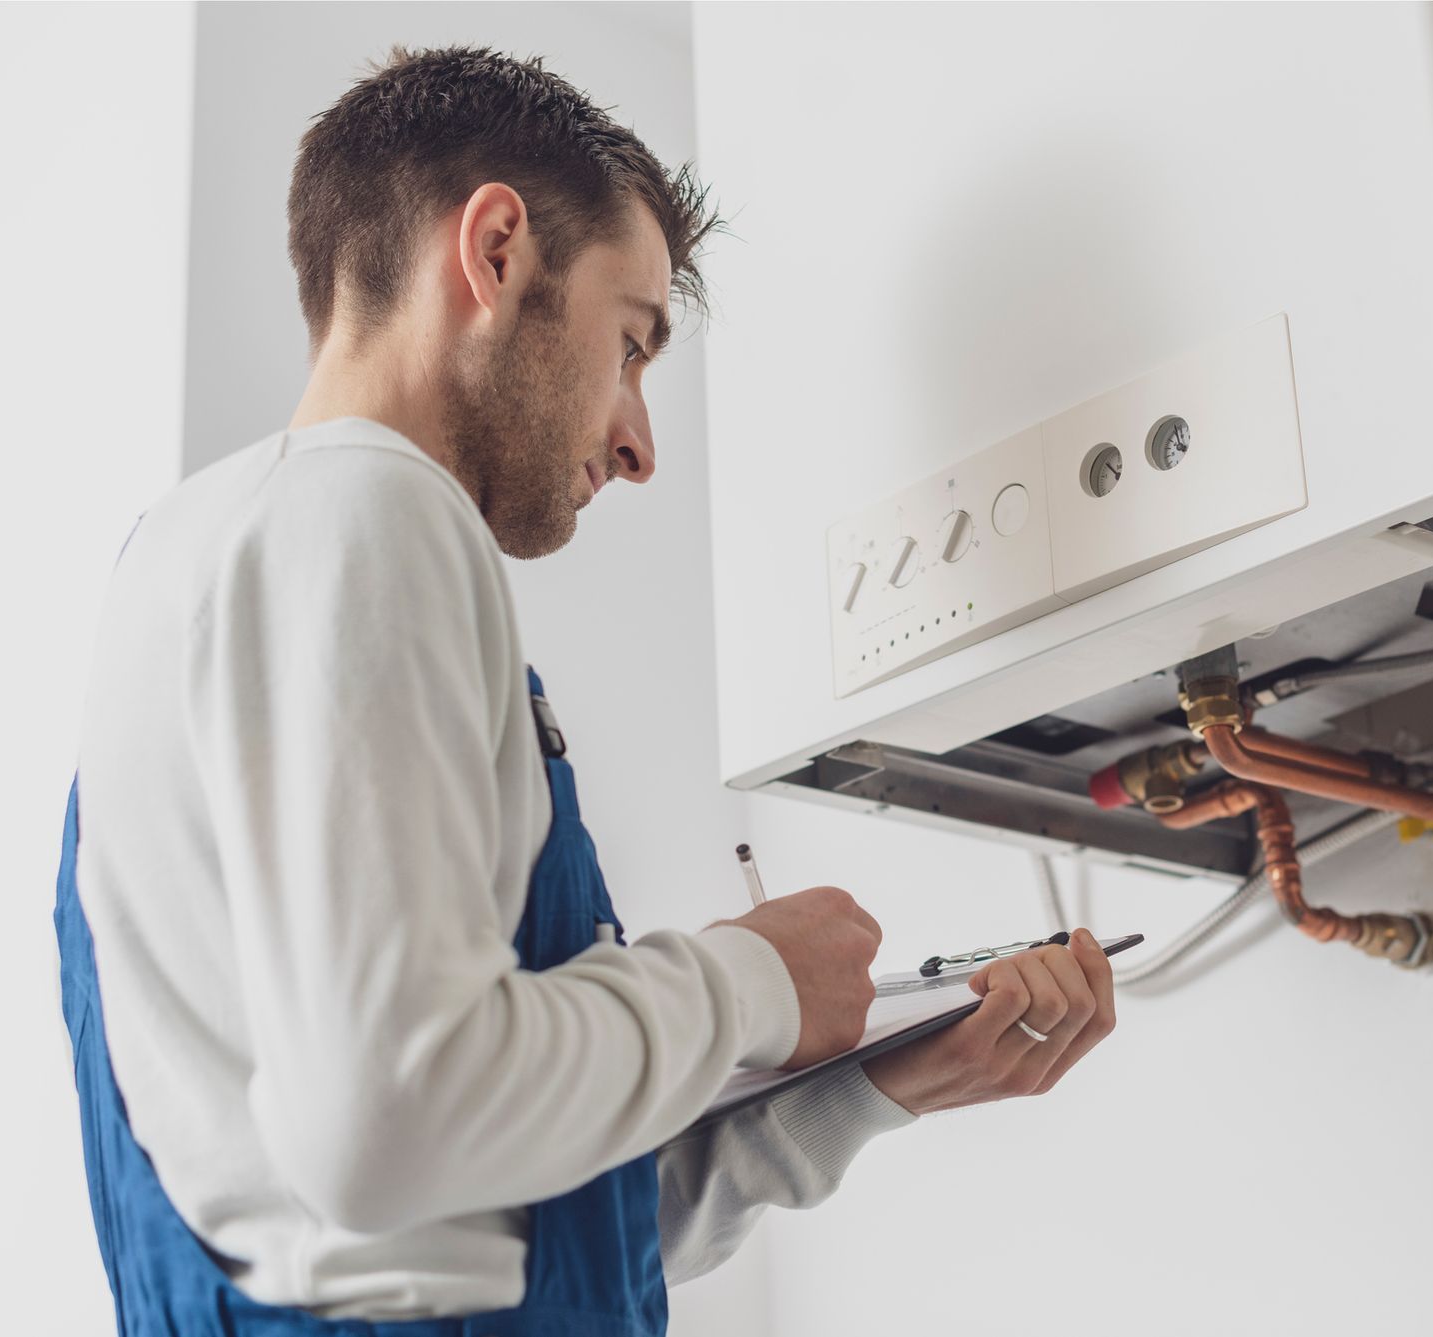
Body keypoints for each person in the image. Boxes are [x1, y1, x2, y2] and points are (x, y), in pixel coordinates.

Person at [55, 45, 1118, 1335]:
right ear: (495, 252)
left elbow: (501, 1222)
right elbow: (393, 1120)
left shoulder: (198, 571)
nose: (638, 440)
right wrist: (748, 985)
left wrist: (878, 1082)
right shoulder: (365, 511)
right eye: (632, 343)